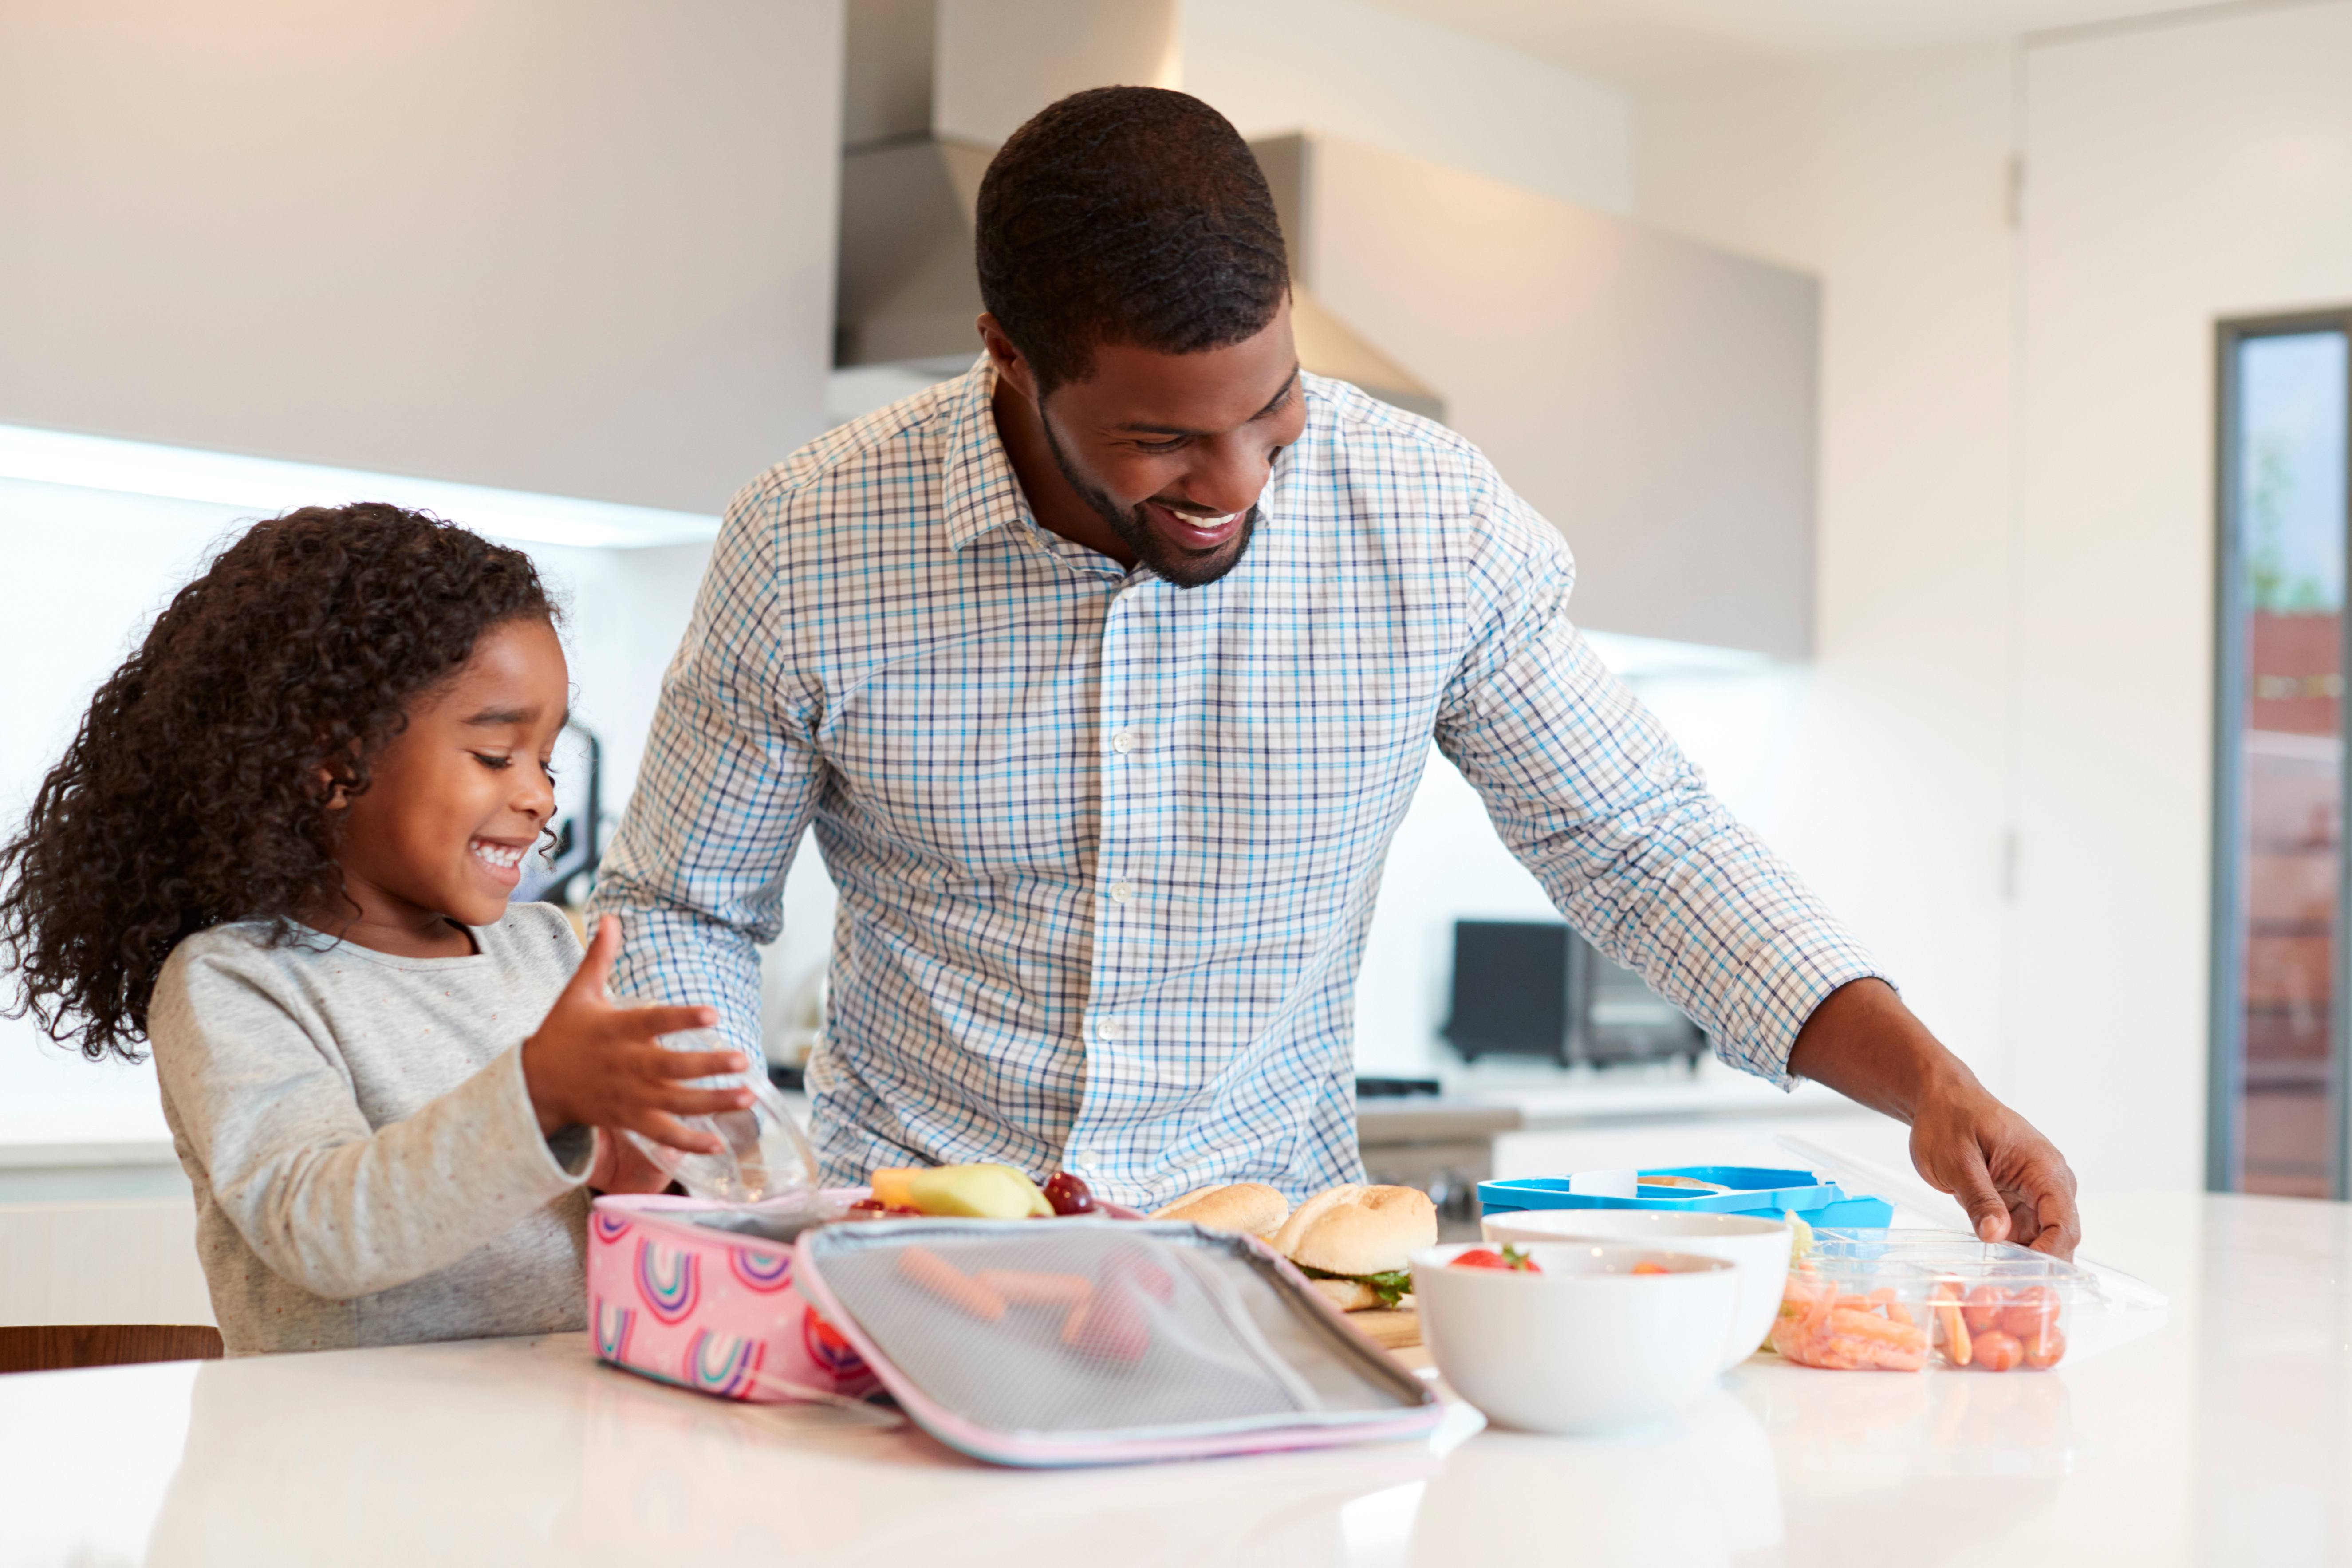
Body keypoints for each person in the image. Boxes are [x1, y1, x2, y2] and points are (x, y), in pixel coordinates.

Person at [592, 87, 2081, 1255]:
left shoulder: (1427, 519)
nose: (1235, 478)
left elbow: (1640, 842)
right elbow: (682, 905)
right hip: (905, 1254)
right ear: (1006, 356)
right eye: (1164, 439)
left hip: (1276, 1267)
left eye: (1273, 405)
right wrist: (733, 1175)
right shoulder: (806, 540)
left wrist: (1930, 1081)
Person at [0, 507, 751, 1352]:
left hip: (550, 1443)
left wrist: (633, 1189)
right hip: (338, 1464)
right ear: (334, 763)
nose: (540, 794)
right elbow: (319, 1227)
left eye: (548, 760)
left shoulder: (543, 950)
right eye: (498, 756)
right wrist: (537, 1093)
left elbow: (585, 1250)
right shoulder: (239, 981)